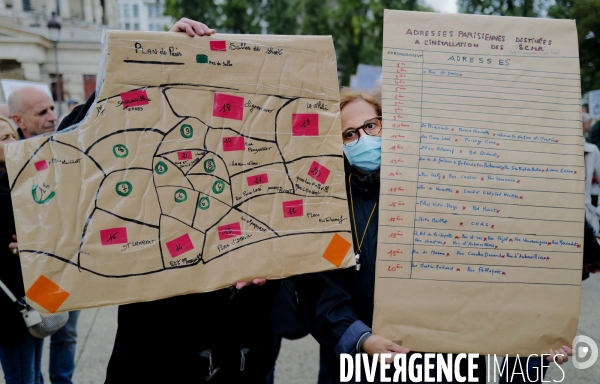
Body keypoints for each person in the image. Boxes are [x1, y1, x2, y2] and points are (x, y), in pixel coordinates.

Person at [294, 89, 573, 383]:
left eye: (371, 125)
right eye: (349, 134)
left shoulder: (448, 188)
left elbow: (497, 276)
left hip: (449, 364)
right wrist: (361, 338)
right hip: (365, 367)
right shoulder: (330, 209)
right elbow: (322, 289)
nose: (364, 138)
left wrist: (536, 343)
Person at [56, 18, 277, 383]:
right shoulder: (137, 152)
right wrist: (142, 67)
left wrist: (274, 267)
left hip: (239, 356)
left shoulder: (257, 153)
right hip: (152, 354)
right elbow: (71, 145)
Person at [8, 87, 79, 384]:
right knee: (38, 333)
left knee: (66, 332)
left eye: (52, 108)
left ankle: (63, 382)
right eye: (42, 112)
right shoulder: (10, 160)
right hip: (37, 272)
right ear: (19, 120)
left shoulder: (66, 144)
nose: (53, 117)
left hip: (67, 262)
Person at [0, 115, 44, 384]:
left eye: (14, 135)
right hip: (9, 303)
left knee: (33, 372)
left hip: (29, 292)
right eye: (5, 139)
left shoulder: (14, 180)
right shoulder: (5, 192)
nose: (14, 142)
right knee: (21, 376)